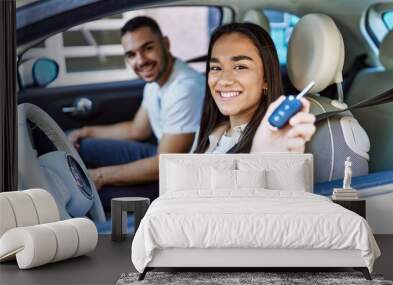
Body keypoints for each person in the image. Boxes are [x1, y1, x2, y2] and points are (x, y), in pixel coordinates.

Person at [68, 16, 205, 208]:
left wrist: (100, 176)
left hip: (182, 178)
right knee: (87, 146)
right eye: (131, 54)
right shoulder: (155, 82)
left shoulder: (184, 88)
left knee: (94, 196)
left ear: (165, 43)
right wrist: (86, 131)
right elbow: (136, 130)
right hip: (162, 155)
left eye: (148, 48)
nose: (140, 61)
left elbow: (163, 166)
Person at [194, 22, 316, 154]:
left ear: (266, 79)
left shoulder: (277, 140)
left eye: (240, 67)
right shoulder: (209, 132)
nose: (224, 80)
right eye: (216, 68)